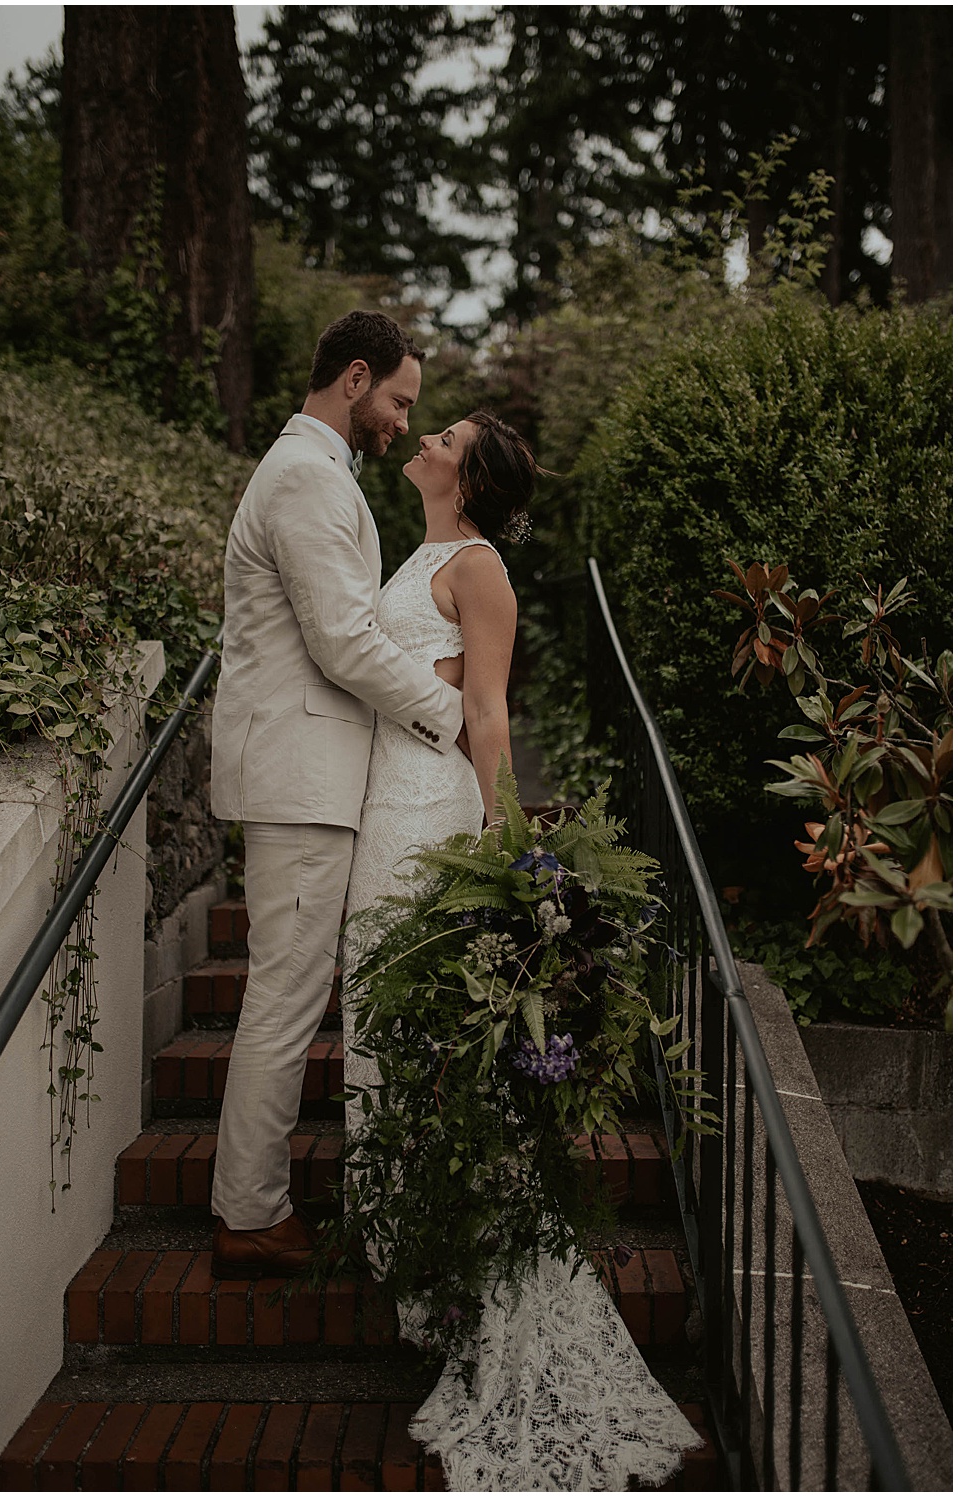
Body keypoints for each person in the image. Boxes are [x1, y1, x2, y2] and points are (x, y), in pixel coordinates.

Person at [337, 414, 700, 1489]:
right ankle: (417, 1254)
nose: (424, 433)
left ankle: (468, 1273)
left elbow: (486, 712)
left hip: (428, 813)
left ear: (470, 473)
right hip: (378, 803)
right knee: (376, 1019)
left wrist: (500, 842)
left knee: (424, 1038)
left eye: (442, 433)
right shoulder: (415, 553)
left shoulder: (479, 566)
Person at [206, 309, 470, 1279]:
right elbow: (343, 642)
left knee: (284, 992)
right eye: (400, 400)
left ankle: (248, 1202)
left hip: (303, 773)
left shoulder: (314, 474)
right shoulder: (306, 478)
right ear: (354, 380)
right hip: (298, 776)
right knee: (282, 997)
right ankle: (247, 1213)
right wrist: (446, 716)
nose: (403, 421)